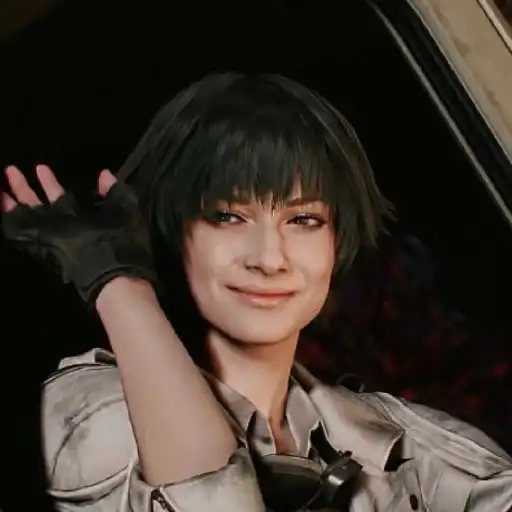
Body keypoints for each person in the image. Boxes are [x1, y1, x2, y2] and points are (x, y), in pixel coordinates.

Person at [2, 73, 512, 511]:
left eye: (303, 219)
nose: (269, 258)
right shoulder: (89, 409)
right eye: (228, 216)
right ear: (168, 232)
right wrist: (119, 285)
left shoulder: (392, 437)